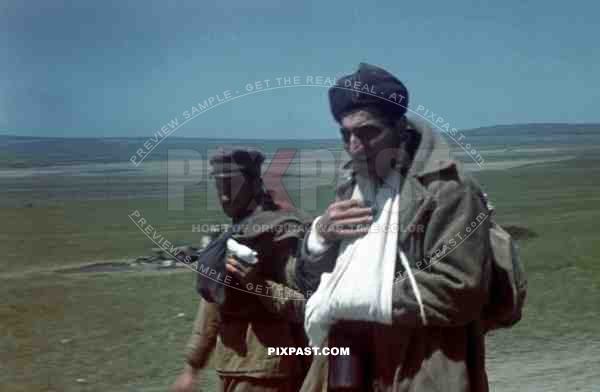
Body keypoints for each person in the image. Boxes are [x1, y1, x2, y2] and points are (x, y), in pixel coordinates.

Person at [293, 63, 493, 392]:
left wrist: (353, 298)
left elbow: (460, 290)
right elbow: (317, 282)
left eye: (368, 132)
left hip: (423, 366)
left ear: (399, 127)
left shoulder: (448, 191)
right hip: (350, 365)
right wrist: (319, 239)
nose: (355, 145)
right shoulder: (351, 188)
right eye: (346, 134)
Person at [170, 148, 310, 392]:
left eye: (231, 186)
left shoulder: (281, 233)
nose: (224, 196)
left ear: (254, 184)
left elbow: (306, 307)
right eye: (219, 186)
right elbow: (212, 300)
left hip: (269, 371)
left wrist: (257, 284)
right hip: (231, 368)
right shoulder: (233, 236)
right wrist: (191, 368)